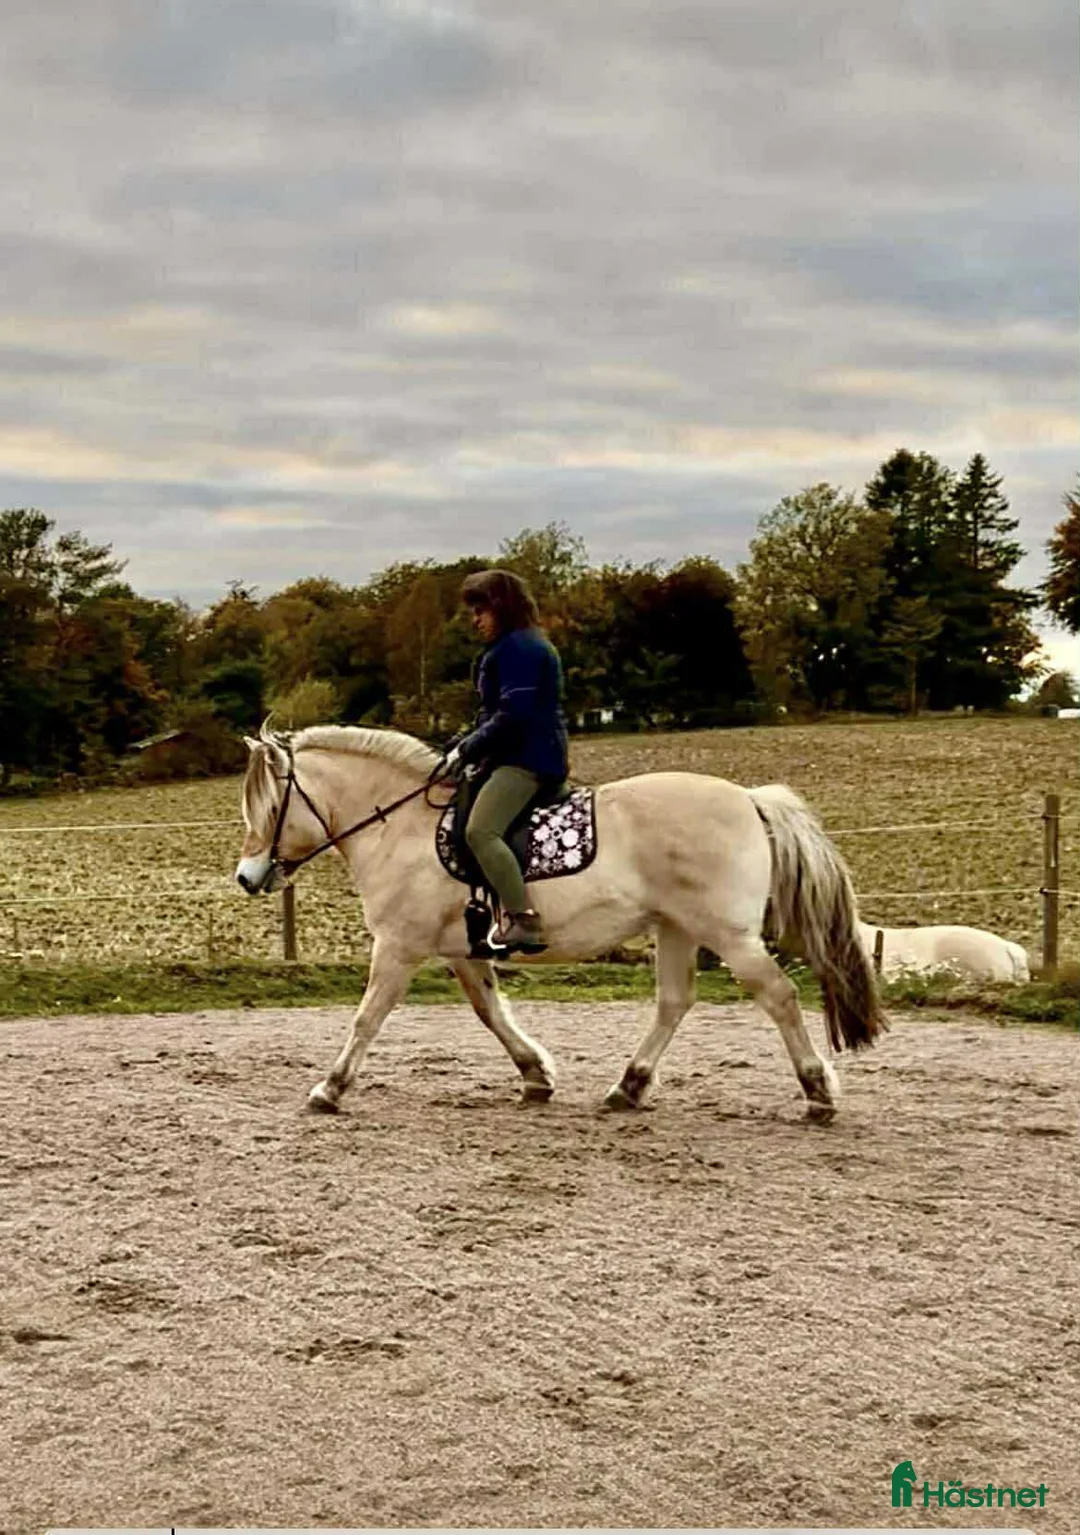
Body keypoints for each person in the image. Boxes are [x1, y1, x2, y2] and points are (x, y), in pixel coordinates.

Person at [443, 569, 569, 952]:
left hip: (528, 759)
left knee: (481, 831)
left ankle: (523, 920)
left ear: (502, 608)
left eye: (481, 610)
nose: (475, 620)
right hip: (512, 753)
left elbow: (515, 715)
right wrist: (462, 742)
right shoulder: (508, 647)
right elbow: (492, 713)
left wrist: (469, 748)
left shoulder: (521, 650)